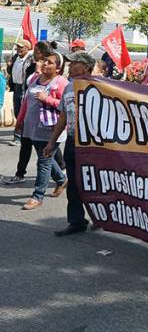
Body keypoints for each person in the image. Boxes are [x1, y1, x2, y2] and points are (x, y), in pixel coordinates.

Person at [44, 51, 96, 235]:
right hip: (73, 142)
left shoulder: (99, 87)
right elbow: (64, 116)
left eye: (75, 63)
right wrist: (51, 142)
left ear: (87, 67)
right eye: (70, 62)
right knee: (73, 183)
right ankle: (76, 221)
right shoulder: (68, 88)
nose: (70, 65)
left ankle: (100, 217)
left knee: (94, 183)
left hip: (93, 145)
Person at [16, 52, 68, 210]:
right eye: (45, 61)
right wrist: (19, 120)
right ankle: (61, 179)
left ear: (58, 69)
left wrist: (48, 99)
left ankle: (37, 196)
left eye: (50, 62)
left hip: (51, 129)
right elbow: (26, 101)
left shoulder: (61, 83)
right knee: (44, 156)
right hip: (32, 127)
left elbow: (66, 105)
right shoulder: (34, 79)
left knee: (43, 161)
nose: (45, 64)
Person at [7, 39, 33, 146]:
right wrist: (9, 66)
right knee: (17, 112)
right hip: (16, 87)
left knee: (23, 114)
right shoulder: (15, 58)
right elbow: (11, 72)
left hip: (25, 88)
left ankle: (19, 138)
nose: (18, 49)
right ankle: (22, 136)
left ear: (28, 48)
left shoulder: (31, 59)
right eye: (18, 47)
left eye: (21, 47)